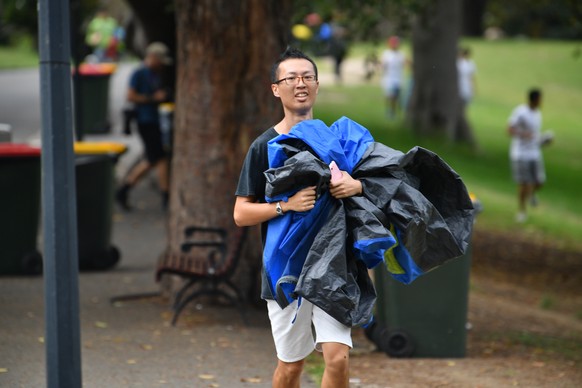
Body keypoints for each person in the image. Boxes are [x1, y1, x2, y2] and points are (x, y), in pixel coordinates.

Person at [233, 47, 363, 388]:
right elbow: (241, 213)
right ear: (276, 88)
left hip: (336, 265)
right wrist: (285, 206)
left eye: (307, 77)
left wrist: (357, 185)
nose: (299, 84)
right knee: (291, 368)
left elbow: (382, 185)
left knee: (337, 357)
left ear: (317, 85)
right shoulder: (265, 146)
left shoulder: (338, 141)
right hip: (286, 271)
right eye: (290, 78)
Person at [116, 42, 173, 211]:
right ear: (153, 57)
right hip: (144, 120)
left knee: (153, 158)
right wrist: (152, 98)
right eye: (160, 60)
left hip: (155, 119)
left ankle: (124, 189)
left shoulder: (155, 74)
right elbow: (131, 96)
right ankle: (165, 196)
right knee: (159, 158)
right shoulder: (139, 73)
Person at [507, 88, 551, 223]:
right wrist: (523, 134)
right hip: (520, 154)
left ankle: (531, 194)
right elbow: (509, 129)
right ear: (534, 99)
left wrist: (544, 141)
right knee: (524, 183)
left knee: (539, 181)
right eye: (539, 99)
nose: (541, 102)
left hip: (535, 153)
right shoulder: (521, 112)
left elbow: (534, 136)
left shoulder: (537, 113)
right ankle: (521, 211)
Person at [380, 35, 409, 119]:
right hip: (389, 79)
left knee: (396, 97)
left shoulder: (401, 54)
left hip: (398, 79)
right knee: (390, 96)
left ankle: (394, 112)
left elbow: (406, 63)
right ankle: (390, 111)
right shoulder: (386, 54)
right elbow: (383, 65)